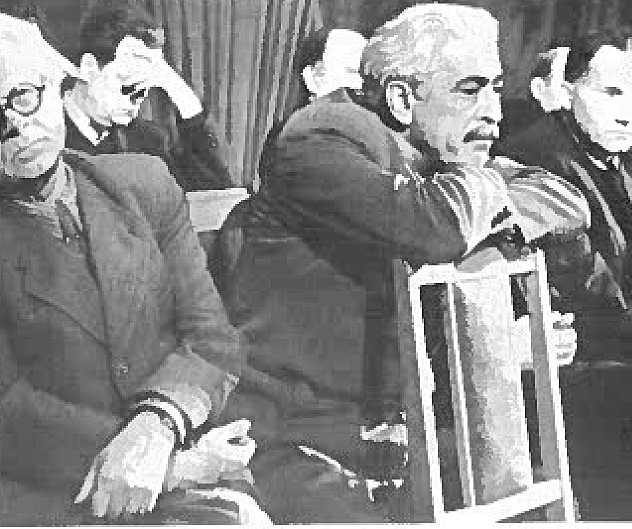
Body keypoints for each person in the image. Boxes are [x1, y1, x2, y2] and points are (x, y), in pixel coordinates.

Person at [213, 4, 589, 523]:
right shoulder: (321, 136)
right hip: (290, 441)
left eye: (496, 89)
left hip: (398, 434)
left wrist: (477, 208)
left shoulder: (443, 156)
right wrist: (481, 201)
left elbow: (565, 201)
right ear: (401, 99)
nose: (494, 112)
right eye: (470, 90)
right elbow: (435, 229)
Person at [0, 11, 267, 526]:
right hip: (54, 499)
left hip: (178, 455)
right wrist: (173, 470)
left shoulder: (145, 183)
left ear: (56, 86)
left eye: (25, 96)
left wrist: (157, 426)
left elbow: (212, 339)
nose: (15, 125)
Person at [494, 29, 632, 366]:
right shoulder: (536, 158)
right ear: (568, 92)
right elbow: (589, 297)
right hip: (579, 353)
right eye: (611, 93)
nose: (626, 114)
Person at [63, 0, 233, 192]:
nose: (135, 103)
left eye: (143, 90)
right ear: (89, 68)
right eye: (128, 87)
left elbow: (214, 193)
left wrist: (176, 87)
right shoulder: (44, 139)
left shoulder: (149, 141)